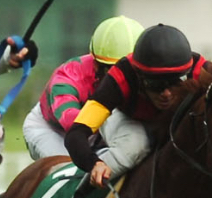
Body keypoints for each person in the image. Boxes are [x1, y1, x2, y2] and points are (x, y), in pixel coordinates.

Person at [46, 23, 204, 198]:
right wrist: (94, 164)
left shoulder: (201, 71)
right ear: (139, 77)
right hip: (127, 117)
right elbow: (76, 134)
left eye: (175, 83)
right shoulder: (120, 78)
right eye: (155, 85)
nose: (166, 93)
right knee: (136, 146)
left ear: (187, 73)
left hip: (176, 118)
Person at [22, 15, 143, 161]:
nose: (119, 77)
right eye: (110, 69)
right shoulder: (68, 76)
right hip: (53, 131)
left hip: (96, 132)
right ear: (96, 63)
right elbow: (72, 123)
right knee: (70, 166)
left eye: (128, 71)